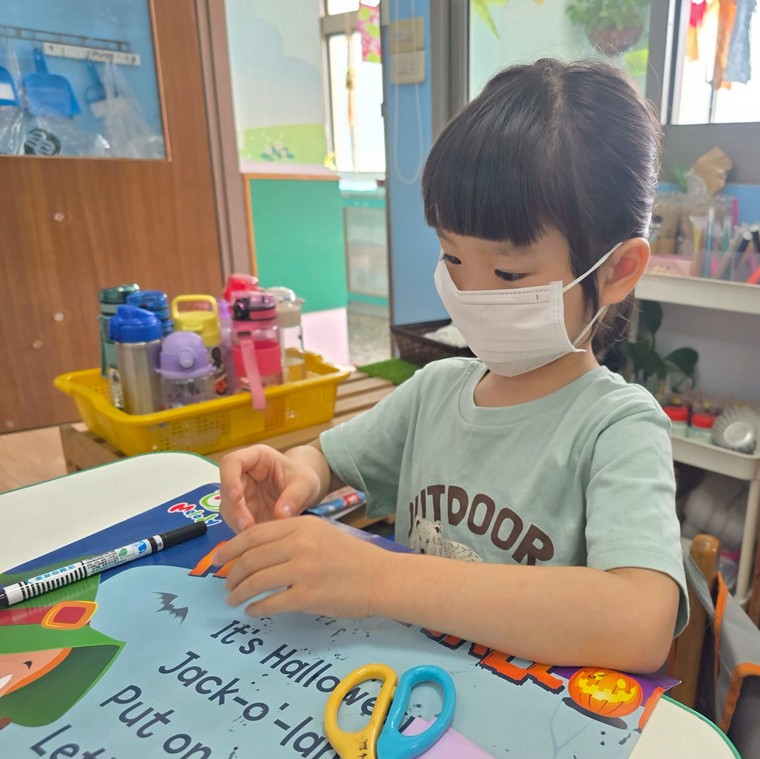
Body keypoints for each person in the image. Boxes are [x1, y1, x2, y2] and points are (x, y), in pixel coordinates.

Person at [213, 58, 686, 674]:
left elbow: (640, 624)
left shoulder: (616, 426)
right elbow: (327, 459)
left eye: (509, 273)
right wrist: (294, 472)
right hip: (407, 688)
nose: (472, 293)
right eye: (453, 259)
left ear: (618, 270)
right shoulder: (435, 391)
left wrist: (378, 578)